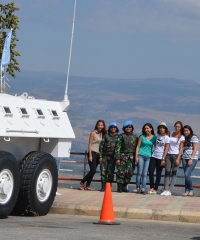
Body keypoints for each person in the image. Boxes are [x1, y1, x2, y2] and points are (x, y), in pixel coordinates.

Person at [79, 120, 107, 190]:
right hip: (93, 152)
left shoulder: (102, 134)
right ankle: (82, 181)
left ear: (103, 126)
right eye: (99, 125)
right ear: (96, 125)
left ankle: (88, 185)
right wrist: (90, 155)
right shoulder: (93, 133)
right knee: (93, 170)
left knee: (93, 171)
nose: (100, 126)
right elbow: (90, 144)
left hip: (98, 154)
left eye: (101, 125)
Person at [161, 121, 185, 196]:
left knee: (174, 173)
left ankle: (170, 190)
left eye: (178, 127)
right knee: (167, 172)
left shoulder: (182, 137)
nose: (177, 128)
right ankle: (165, 189)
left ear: (181, 128)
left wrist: (178, 158)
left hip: (175, 156)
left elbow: (181, 148)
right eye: (176, 126)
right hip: (168, 155)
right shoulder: (170, 133)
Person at [115, 120, 138, 193]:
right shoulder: (121, 136)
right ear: (124, 128)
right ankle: (119, 187)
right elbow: (117, 148)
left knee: (130, 172)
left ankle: (124, 185)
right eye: (126, 127)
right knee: (120, 172)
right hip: (122, 156)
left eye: (130, 127)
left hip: (131, 157)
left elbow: (138, 147)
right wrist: (117, 158)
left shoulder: (135, 136)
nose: (128, 128)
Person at [135, 123, 156, 194]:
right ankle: (138, 187)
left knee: (145, 173)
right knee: (139, 172)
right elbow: (138, 146)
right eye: (145, 128)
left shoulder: (154, 138)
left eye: (147, 128)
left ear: (151, 129)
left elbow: (156, 147)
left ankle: (143, 188)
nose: (146, 130)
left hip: (149, 157)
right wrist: (136, 156)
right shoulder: (141, 137)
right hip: (141, 155)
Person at [148, 122, 170, 194]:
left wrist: (163, 158)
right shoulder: (157, 136)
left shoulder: (167, 138)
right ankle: (151, 187)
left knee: (158, 173)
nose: (161, 129)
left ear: (165, 129)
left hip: (161, 157)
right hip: (154, 156)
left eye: (163, 128)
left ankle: (155, 188)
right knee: (151, 171)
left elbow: (166, 149)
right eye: (160, 128)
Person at [99, 122, 119, 191]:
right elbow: (101, 146)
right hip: (105, 156)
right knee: (103, 171)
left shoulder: (118, 137)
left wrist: (117, 158)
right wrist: (100, 156)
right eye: (111, 127)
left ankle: (109, 187)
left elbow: (118, 148)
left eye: (114, 127)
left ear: (116, 128)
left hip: (113, 157)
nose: (113, 129)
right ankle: (103, 187)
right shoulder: (106, 136)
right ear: (109, 128)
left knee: (111, 172)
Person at [182, 125, 199, 197]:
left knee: (186, 174)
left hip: (192, 158)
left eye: (187, 130)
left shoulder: (194, 137)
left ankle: (191, 190)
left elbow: (195, 149)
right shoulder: (183, 138)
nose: (185, 132)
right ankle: (186, 190)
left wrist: (191, 159)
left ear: (190, 131)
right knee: (187, 175)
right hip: (184, 158)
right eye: (184, 131)